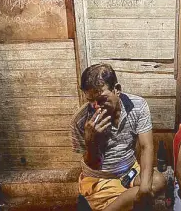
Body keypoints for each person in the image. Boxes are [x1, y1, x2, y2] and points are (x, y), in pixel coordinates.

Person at [71, 64, 166, 211]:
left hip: (128, 171)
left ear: (117, 89)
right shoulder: (81, 120)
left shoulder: (137, 106)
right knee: (138, 196)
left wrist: (145, 188)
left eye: (101, 99)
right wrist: (91, 140)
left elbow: (146, 147)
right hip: (100, 177)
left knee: (158, 181)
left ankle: (121, 201)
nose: (96, 106)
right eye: (90, 100)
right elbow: (93, 165)